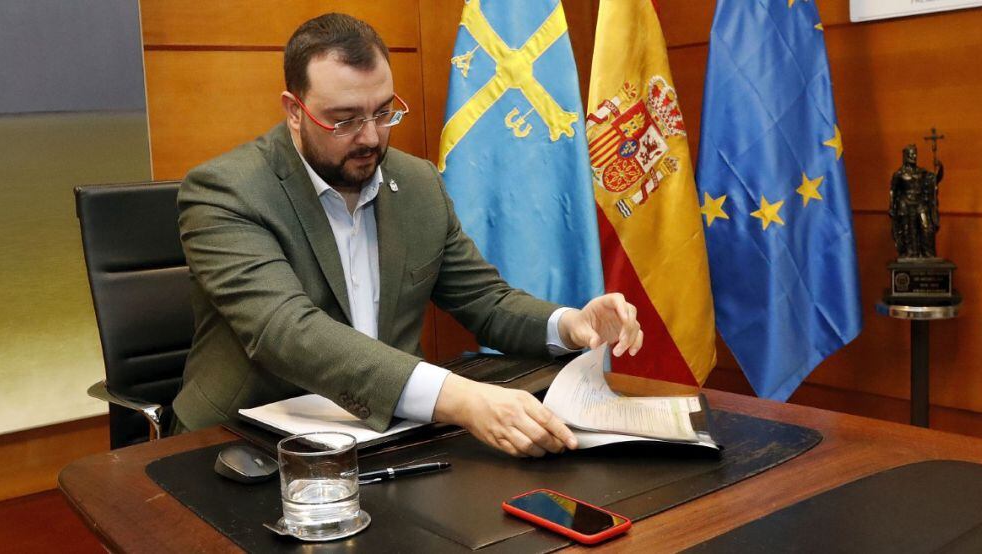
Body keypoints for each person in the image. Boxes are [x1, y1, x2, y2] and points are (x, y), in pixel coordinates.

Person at [171, 13, 643, 458]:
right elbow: (287, 332)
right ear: (294, 111)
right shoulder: (226, 191)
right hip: (241, 446)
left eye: (383, 112)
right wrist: (459, 397)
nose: (371, 138)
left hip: (387, 439)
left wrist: (568, 324)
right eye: (345, 119)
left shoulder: (417, 183)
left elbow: (486, 300)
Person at [889, 144, 942, 258]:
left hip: (920, 204)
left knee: (926, 228)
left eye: (915, 154)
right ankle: (911, 253)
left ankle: (928, 254)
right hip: (906, 204)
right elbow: (893, 191)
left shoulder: (922, 172)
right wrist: (891, 207)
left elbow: (935, 180)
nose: (914, 156)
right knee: (909, 230)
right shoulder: (899, 174)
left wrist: (940, 168)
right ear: (905, 156)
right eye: (911, 154)